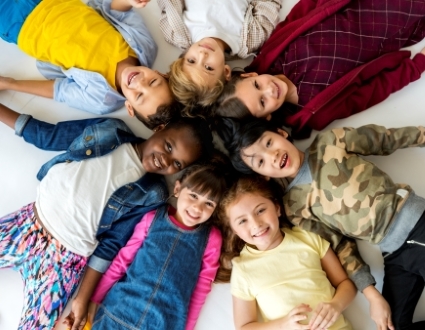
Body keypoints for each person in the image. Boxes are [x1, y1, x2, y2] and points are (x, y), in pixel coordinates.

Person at [0, 102, 214, 329]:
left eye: (177, 163)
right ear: (159, 128)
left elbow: (111, 244)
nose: (166, 160)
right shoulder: (109, 129)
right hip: (27, 224)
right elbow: (49, 136)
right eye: (169, 147)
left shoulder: (153, 193)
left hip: (64, 261)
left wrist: (83, 298)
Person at [224, 117, 425, 330]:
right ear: (262, 176)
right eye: (261, 162)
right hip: (392, 251)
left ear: (281, 133)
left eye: (268, 143)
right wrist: (372, 295)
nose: (271, 156)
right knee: (393, 326)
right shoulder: (294, 207)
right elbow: (340, 245)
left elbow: (386, 139)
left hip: (416, 225)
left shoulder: (331, 142)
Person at [214, 0, 425, 138]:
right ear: (266, 117)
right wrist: (417, 66)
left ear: (251, 75)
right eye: (262, 102)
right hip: (400, 24)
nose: (269, 90)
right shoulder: (314, 111)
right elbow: (373, 91)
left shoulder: (273, 54)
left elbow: (303, 11)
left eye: (257, 85)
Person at [68, 162, 228, 330]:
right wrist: (94, 301)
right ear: (178, 189)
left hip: (165, 322)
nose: (197, 208)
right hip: (119, 312)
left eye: (209, 203)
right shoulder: (152, 218)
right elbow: (121, 262)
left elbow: (202, 288)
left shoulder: (211, 238)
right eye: (194, 195)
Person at [0, 0, 176, 130]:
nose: (139, 83)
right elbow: (117, 11)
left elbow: (58, 90)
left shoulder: (101, 100)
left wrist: (10, 83)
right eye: (152, 82)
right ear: (160, 73)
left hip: (23, 27)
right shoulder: (146, 46)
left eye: (138, 96)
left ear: (129, 107)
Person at [218, 175, 356, 330]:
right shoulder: (242, 268)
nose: (256, 224)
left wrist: (336, 305)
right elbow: (244, 327)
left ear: (277, 208)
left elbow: (346, 284)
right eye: (242, 221)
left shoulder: (308, 238)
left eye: (261, 210)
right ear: (234, 231)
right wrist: (282, 325)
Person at [161, 0, 282, 112]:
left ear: (184, 56)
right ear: (226, 72)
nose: (202, 55)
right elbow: (269, 4)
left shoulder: (176, 33)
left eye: (192, 60)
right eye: (208, 68)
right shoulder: (251, 40)